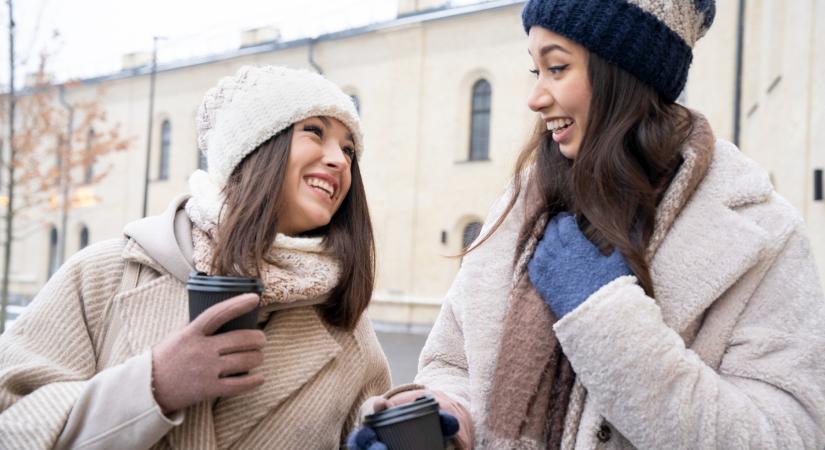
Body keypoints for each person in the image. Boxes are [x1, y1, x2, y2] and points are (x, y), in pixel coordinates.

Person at [351, 0, 825, 448]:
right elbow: (454, 364)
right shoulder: (520, 205)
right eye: (535, 71)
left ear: (627, 70)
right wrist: (440, 420)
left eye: (557, 68)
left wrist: (603, 315)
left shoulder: (761, 234)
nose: (535, 98)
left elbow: (789, 435)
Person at [0, 65, 391, 450]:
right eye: (314, 132)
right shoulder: (104, 274)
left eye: (348, 149)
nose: (340, 160)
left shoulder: (348, 329)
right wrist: (152, 386)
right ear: (251, 149)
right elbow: (11, 421)